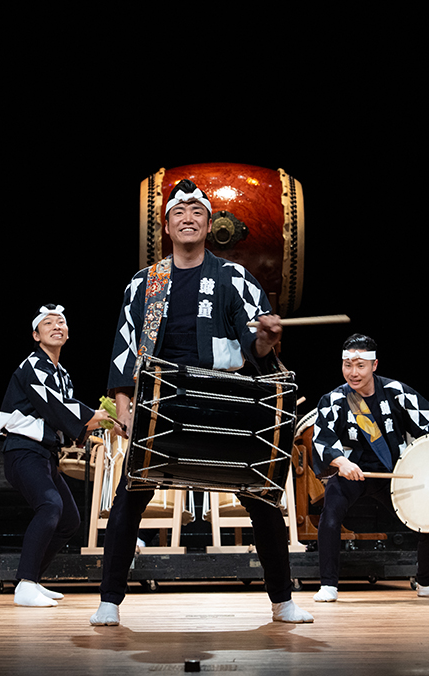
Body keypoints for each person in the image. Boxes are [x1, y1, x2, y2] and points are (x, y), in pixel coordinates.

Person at [91, 179, 312, 626]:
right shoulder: (143, 283)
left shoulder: (233, 276)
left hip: (223, 397)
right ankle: (109, 601)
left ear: (209, 225)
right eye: (179, 213)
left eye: (197, 212)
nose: (188, 218)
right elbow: (124, 346)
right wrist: (124, 405)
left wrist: (268, 338)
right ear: (167, 227)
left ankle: (282, 600)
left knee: (262, 496)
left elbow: (256, 344)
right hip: (161, 401)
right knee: (130, 496)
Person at [311, 334, 429, 602]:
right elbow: (322, 439)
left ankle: (426, 583)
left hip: (393, 472)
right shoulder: (334, 400)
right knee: (330, 515)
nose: (353, 372)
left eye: (360, 365)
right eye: (347, 365)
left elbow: (428, 418)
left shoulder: (395, 391)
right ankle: (328, 585)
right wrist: (342, 462)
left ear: (374, 365)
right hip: (353, 472)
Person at [0, 304, 111, 607]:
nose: (56, 326)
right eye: (48, 323)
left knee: (69, 520)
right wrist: (101, 415)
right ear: (36, 335)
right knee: (50, 505)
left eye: (61, 321)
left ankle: (33, 579)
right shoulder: (33, 365)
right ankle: (25, 585)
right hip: (23, 449)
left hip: (44, 454)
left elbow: (67, 417)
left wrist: (99, 425)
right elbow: (57, 407)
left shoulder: (62, 374)